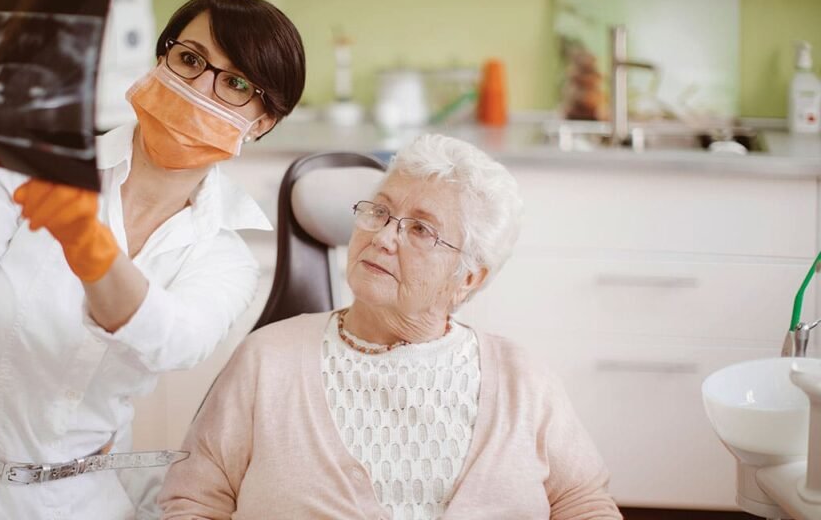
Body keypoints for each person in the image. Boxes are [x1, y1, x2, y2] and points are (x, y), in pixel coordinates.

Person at [0, 0, 305, 519]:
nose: (198, 89)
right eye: (189, 59)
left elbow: (173, 343)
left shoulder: (225, 255)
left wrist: (87, 246)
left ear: (262, 122)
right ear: (160, 58)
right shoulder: (24, 164)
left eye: (234, 84)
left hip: (75, 499)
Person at [158, 134, 623, 519]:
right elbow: (193, 501)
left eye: (421, 229)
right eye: (379, 212)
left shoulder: (524, 380)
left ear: (468, 277)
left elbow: (584, 503)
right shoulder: (268, 360)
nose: (382, 237)